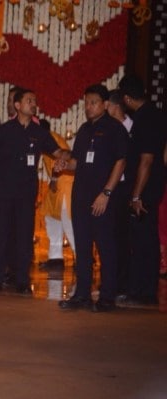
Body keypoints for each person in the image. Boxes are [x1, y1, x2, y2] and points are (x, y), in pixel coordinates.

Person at [0, 88, 65, 295]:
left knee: (25, 236)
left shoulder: (39, 132)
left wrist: (65, 157)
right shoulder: (4, 130)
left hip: (26, 192)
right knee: (1, 235)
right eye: (29, 100)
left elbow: (57, 151)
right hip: (3, 191)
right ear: (17, 106)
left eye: (34, 100)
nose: (33, 103)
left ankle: (22, 281)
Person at [56, 84, 128, 312]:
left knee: (106, 247)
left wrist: (106, 193)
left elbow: (121, 161)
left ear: (106, 104)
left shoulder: (115, 129)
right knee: (83, 248)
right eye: (86, 102)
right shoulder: (85, 130)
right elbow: (78, 161)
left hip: (102, 198)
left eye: (94, 102)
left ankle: (107, 297)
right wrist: (65, 164)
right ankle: (82, 295)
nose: (89, 107)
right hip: (81, 197)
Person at [119, 74, 167, 305]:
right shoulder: (152, 114)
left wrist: (136, 194)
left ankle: (143, 291)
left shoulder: (146, 118)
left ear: (127, 98)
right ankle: (141, 289)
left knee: (143, 240)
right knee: (143, 238)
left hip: (145, 190)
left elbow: (146, 160)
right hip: (151, 186)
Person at [39, 119, 75, 270]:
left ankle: (82, 259)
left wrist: (54, 177)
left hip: (65, 184)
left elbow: (63, 157)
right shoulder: (49, 138)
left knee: (69, 223)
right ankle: (55, 258)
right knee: (51, 217)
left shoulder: (50, 139)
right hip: (57, 186)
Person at [107, 89, 133, 296]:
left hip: (125, 188)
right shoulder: (107, 129)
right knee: (109, 237)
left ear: (114, 106)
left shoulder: (132, 128)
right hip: (108, 187)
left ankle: (122, 284)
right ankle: (110, 282)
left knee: (122, 237)